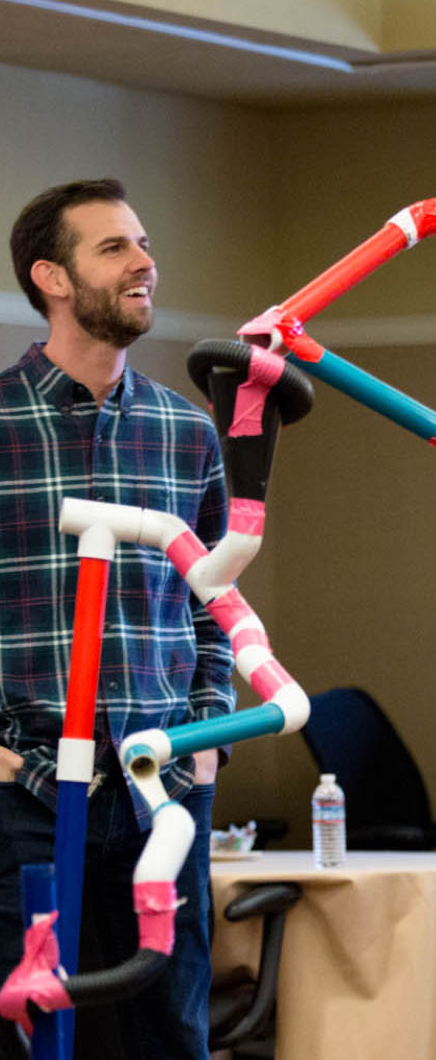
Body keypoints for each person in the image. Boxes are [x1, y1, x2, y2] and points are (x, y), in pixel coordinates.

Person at [0, 179, 234, 1059]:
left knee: (169, 1032)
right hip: (16, 784)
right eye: (115, 249)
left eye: (144, 243)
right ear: (51, 278)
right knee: (25, 1033)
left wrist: (207, 732)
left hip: (159, 786)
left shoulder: (187, 432)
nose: (146, 264)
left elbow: (216, 604)